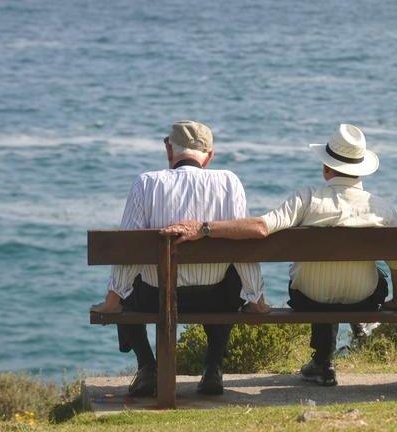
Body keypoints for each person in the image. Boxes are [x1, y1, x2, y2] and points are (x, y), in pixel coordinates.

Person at [162, 124, 397, 387]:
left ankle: (323, 362)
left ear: (326, 168)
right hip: (363, 301)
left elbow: (261, 227)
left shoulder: (308, 199)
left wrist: (204, 228)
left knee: (314, 280)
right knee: (375, 274)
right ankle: (330, 355)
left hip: (309, 299)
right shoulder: (381, 208)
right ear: (360, 169)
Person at [90, 120, 269, 397]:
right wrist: (255, 299)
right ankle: (212, 368)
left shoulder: (146, 183)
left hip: (155, 297)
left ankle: (148, 367)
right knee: (231, 275)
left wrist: (114, 300)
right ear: (209, 155)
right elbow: (241, 249)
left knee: (128, 284)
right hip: (215, 299)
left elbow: (129, 252)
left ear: (168, 150)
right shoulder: (229, 182)